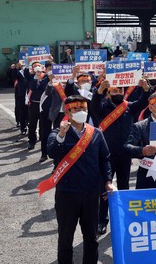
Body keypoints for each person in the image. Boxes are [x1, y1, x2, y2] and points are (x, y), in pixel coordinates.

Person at [46, 95, 113, 264]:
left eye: (84, 108)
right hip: (67, 193)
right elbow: (52, 152)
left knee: (91, 237)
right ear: (68, 112)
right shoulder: (57, 133)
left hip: (91, 192)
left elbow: (105, 158)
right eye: (76, 109)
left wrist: (108, 181)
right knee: (65, 238)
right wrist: (62, 133)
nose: (81, 112)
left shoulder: (96, 133)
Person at [91, 78, 150, 235]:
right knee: (104, 188)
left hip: (125, 154)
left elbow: (143, 102)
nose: (118, 93)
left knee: (124, 187)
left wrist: (145, 88)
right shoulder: (103, 107)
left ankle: (124, 217)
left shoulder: (128, 107)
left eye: (120, 91)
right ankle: (102, 220)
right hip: (106, 154)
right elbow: (94, 106)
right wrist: (99, 91)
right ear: (109, 93)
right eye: (114, 91)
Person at [26, 62, 50, 150]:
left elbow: (46, 87)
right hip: (34, 104)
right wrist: (36, 77)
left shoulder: (46, 77)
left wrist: (42, 77)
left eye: (39, 67)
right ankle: (31, 141)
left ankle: (42, 139)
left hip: (43, 104)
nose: (37, 69)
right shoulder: (31, 77)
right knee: (32, 124)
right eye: (35, 67)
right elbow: (32, 87)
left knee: (43, 124)